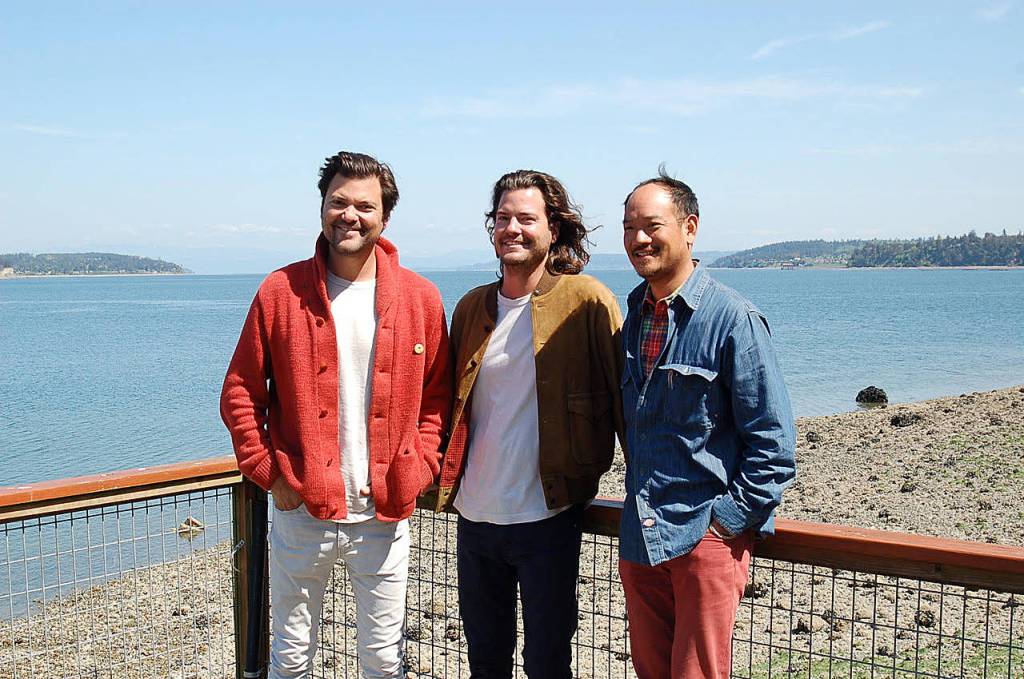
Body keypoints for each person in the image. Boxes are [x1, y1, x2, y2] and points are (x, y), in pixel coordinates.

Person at [220, 151, 451, 679]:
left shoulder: (421, 298)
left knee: (383, 660)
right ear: (321, 208)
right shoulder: (280, 292)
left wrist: (420, 468)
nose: (349, 215)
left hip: (383, 514)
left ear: (384, 217)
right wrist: (268, 471)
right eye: (338, 202)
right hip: (301, 509)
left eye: (364, 206)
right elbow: (239, 392)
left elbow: (438, 401)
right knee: (291, 656)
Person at [432, 169, 624, 678]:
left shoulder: (588, 301)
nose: (511, 228)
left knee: (547, 661)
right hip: (475, 518)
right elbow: (445, 404)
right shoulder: (472, 306)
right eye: (502, 218)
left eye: (526, 218)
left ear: (553, 230)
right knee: (485, 661)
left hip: (548, 517)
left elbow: (628, 406)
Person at [618, 168, 796, 679]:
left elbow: (774, 444)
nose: (638, 239)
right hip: (641, 535)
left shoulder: (733, 318)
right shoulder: (635, 314)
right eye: (629, 227)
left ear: (689, 227)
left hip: (703, 537)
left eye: (651, 225)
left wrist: (723, 526)